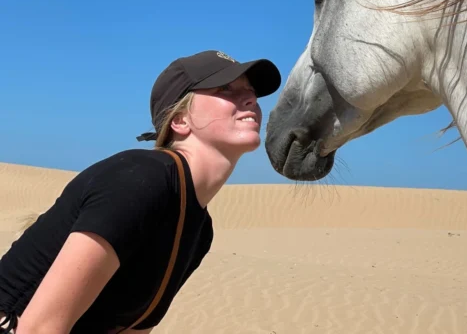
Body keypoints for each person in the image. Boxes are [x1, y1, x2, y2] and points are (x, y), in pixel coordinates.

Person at [0, 50, 281, 333]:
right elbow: (38, 328)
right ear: (180, 120)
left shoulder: (198, 228)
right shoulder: (141, 180)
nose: (251, 99)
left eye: (251, 91)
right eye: (226, 89)